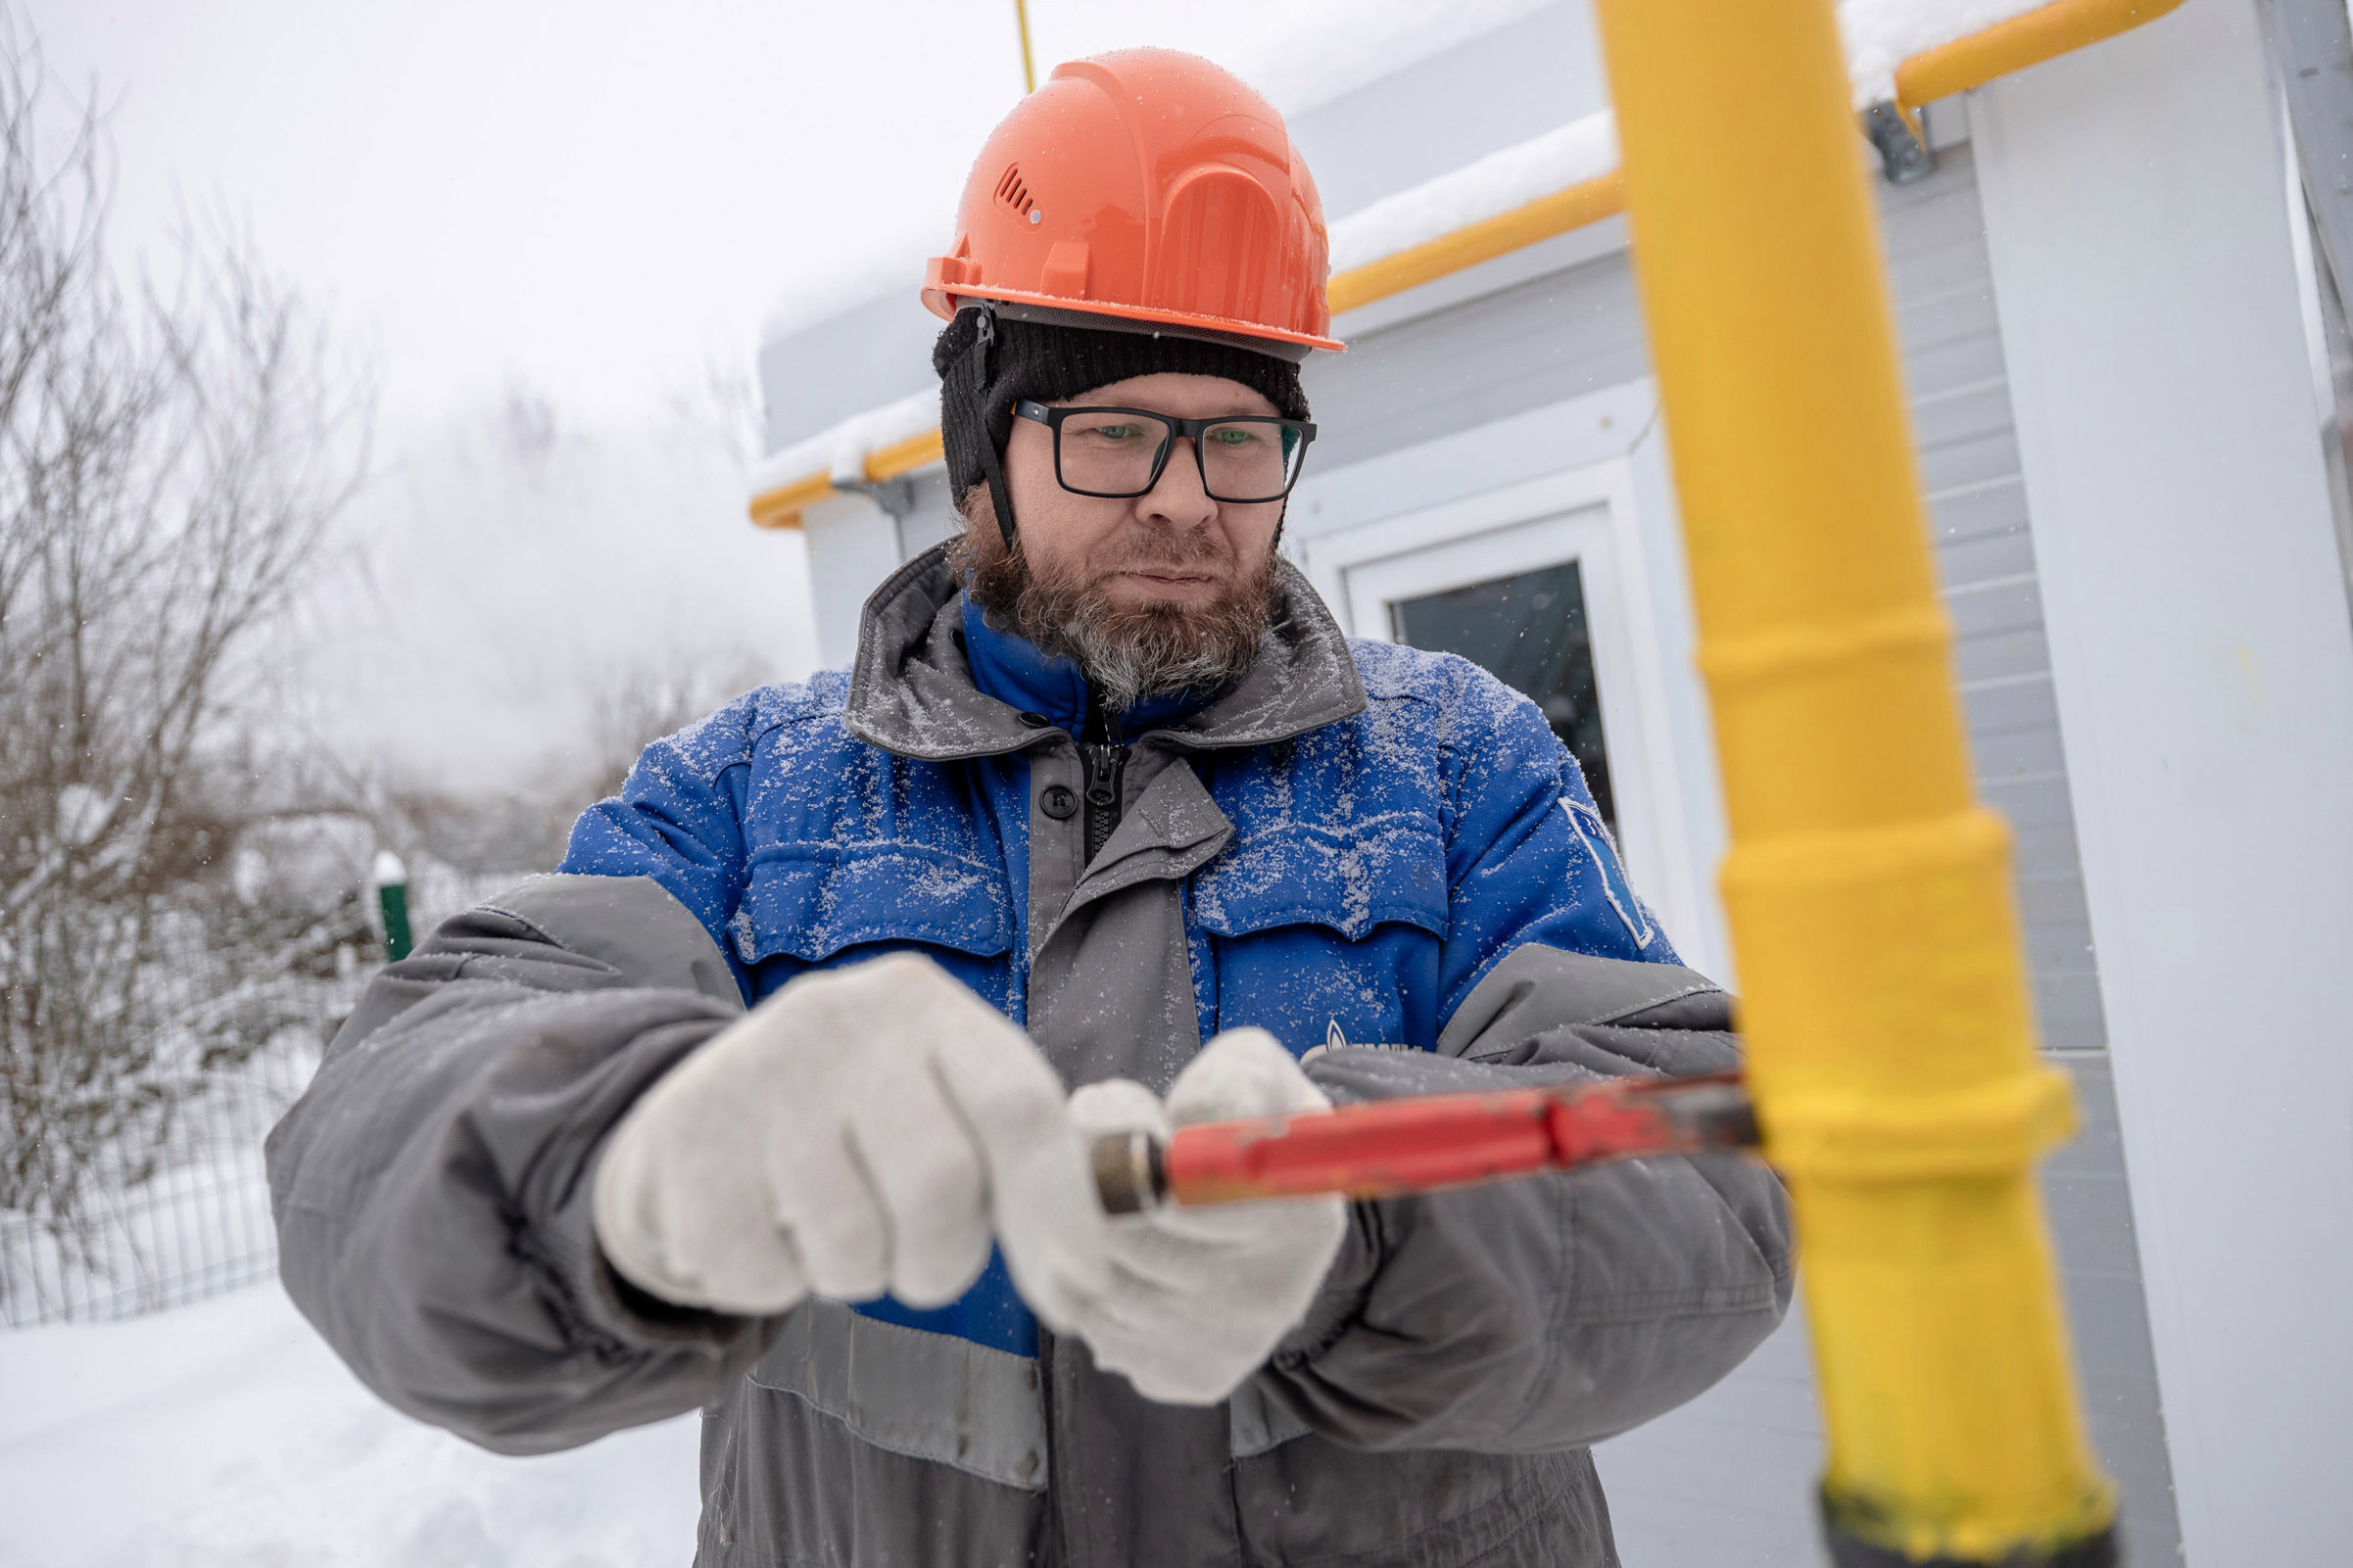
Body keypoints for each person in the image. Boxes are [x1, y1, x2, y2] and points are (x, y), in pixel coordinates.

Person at [266, 47, 1791, 1568]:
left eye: (1238, 437)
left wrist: (1364, 1224)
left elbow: (1709, 1168)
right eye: (1115, 431)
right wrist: (628, 1157)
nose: (1186, 497)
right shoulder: (746, 794)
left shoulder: (1458, 765)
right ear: (982, 460)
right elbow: (382, 1114)